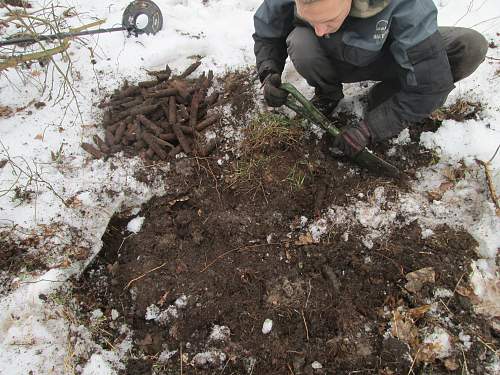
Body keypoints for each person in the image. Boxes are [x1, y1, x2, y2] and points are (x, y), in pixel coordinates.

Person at [253, 0, 489, 157]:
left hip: (391, 53)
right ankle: (328, 93)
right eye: (312, 20)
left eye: (327, 20)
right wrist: (268, 70)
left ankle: (389, 96)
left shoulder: (407, 6)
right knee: (300, 41)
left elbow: (432, 86)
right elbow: (268, 31)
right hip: (335, 56)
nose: (320, 30)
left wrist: (371, 128)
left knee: (470, 47)